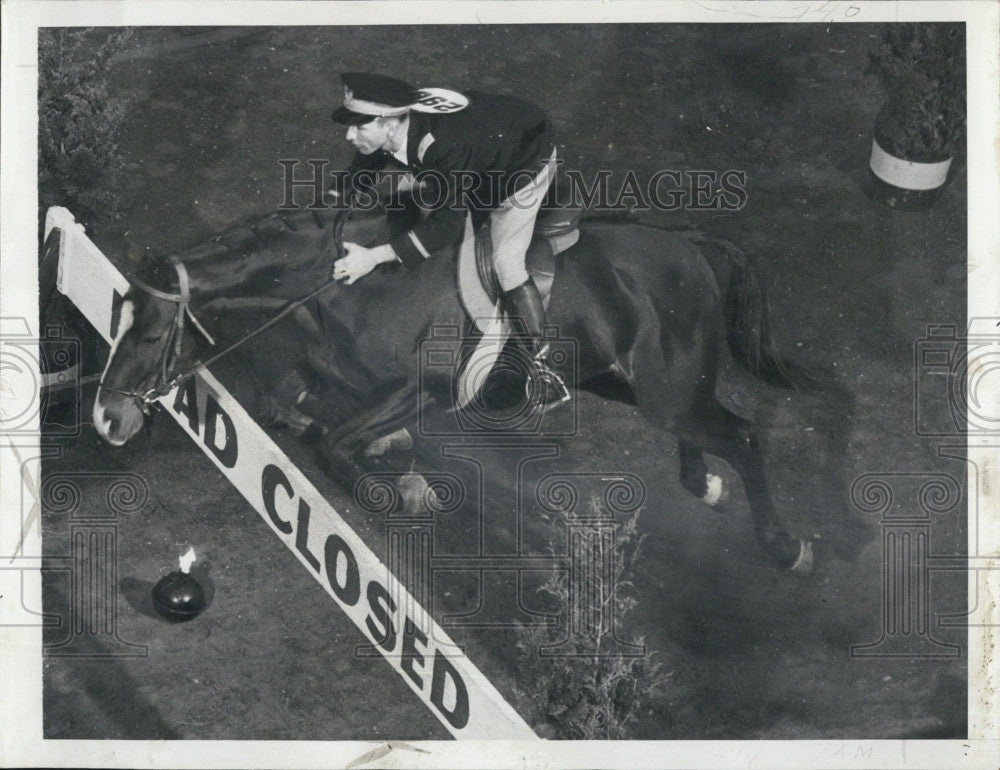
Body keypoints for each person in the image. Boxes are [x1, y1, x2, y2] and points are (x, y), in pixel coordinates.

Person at [329, 71, 570, 410]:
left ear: (390, 124)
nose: (349, 136)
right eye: (349, 125)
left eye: (360, 126)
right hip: (475, 147)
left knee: (506, 262)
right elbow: (368, 157)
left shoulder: (444, 146)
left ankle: (544, 370)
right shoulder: (387, 130)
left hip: (521, 162)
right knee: (402, 195)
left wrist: (373, 256)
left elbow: (446, 227)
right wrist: (333, 198)